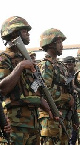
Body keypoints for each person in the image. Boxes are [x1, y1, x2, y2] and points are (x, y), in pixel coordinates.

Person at [0, 16, 51, 145]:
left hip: (33, 123)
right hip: (14, 125)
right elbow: (3, 89)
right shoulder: (4, 59)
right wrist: (20, 66)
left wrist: (42, 102)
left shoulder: (25, 59)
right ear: (15, 33)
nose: (28, 34)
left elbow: (34, 89)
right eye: (25, 31)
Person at [38, 28, 74, 145]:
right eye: (59, 43)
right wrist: (67, 98)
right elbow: (45, 91)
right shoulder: (46, 65)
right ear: (50, 44)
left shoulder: (60, 66)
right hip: (51, 116)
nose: (61, 46)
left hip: (63, 115)